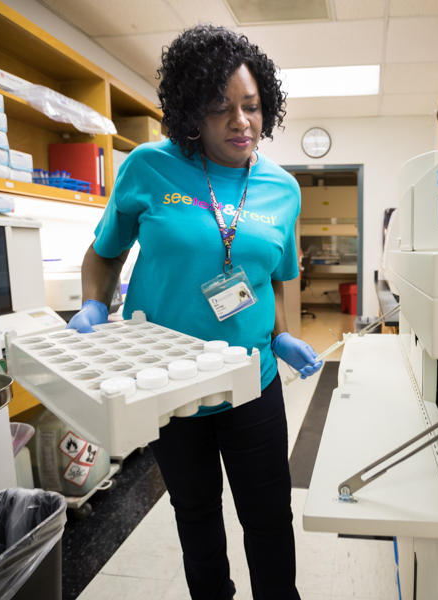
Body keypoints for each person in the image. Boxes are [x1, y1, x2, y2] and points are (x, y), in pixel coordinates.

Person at [67, 24, 322, 600]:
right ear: (189, 112)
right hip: (169, 381)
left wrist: (281, 336)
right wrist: (91, 303)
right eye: (220, 108)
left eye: (253, 108)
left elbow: (278, 280)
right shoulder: (148, 168)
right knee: (196, 510)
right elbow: (103, 254)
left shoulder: (282, 188)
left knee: (267, 514)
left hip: (250, 379)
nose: (241, 122)